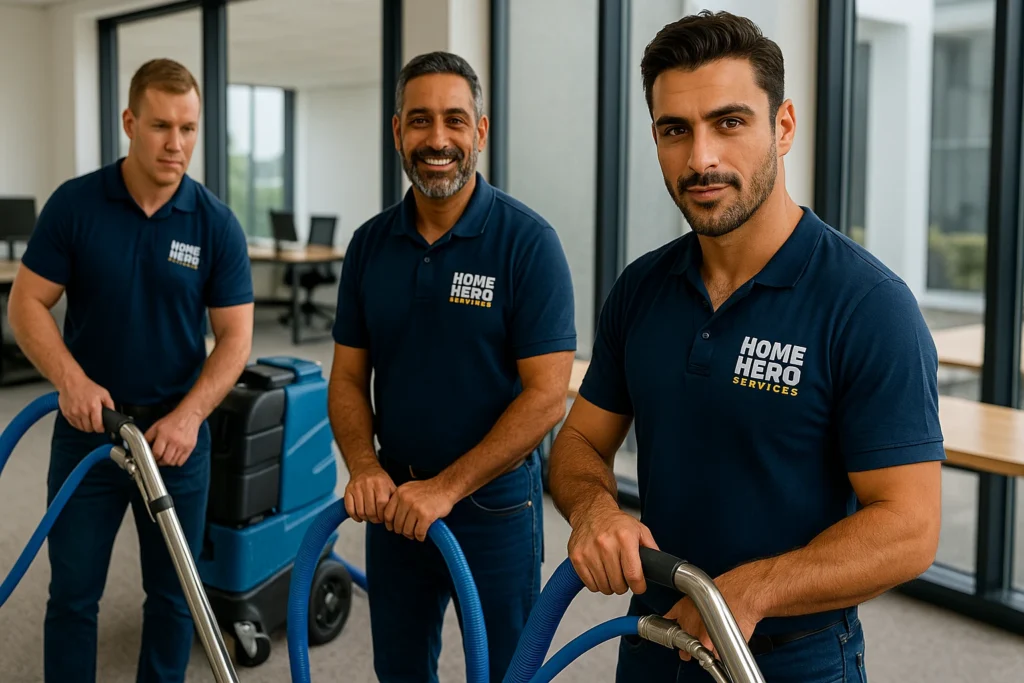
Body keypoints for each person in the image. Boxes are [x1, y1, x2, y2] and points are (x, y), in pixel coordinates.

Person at [547, 11, 944, 683]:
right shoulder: (642, 289)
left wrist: (751, 589)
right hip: (655, 642)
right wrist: (595, 509)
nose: (701, 157)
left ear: (782, 126)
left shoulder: (868, 304)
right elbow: (578, 443)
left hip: (795, 658)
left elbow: (909, 525)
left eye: (729, 123)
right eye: (676, 130)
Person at [327, 51, 576, 682]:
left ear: (481, 132)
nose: (437, 139)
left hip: (493, 508)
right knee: (401, 670)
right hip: (394, 501)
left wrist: (448, 488)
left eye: (455, 121)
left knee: (503, 673)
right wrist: (362, 465)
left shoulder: (528, 243)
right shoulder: (369, 245)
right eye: (420, 121)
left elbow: (546, 396)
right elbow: (349, 378)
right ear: (397, 132)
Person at [7, 58, 254, 683]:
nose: (177, 145)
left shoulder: (215, 225)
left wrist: (191, 415)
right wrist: (70, 378)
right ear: (129, 122)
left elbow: (234, 339)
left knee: (174, 598)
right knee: (72, 596)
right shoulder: (77, 205)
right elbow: (26, 303)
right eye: (161, 126)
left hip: (175, 441)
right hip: (89, 432)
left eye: (190, 128)